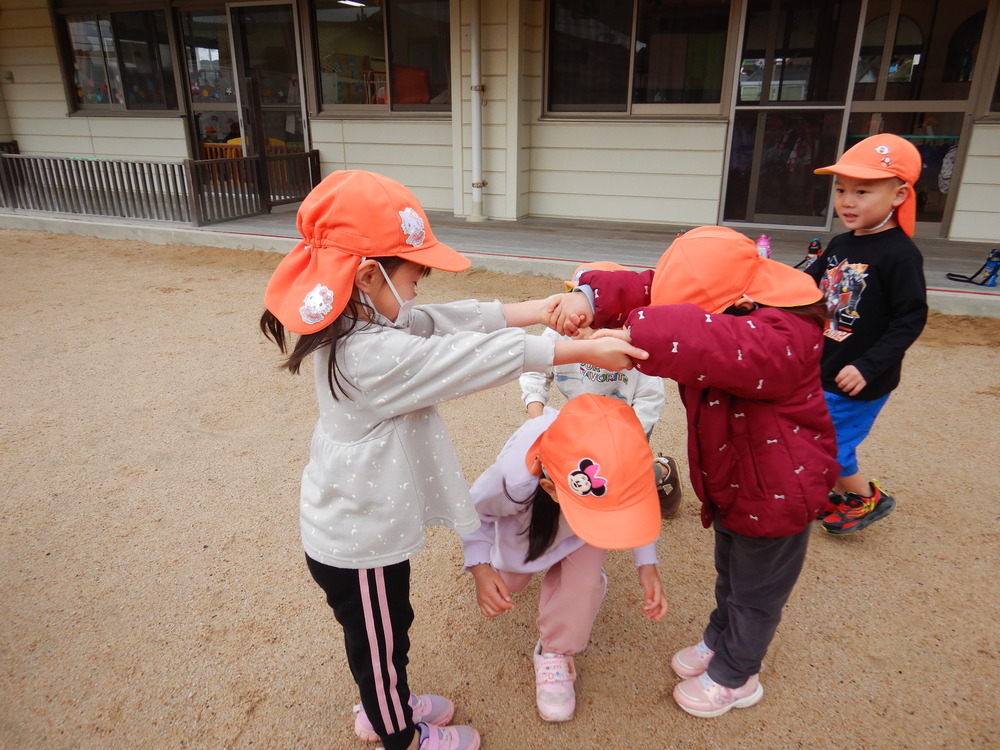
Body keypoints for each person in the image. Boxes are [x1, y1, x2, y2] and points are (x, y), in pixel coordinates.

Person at [259, 170, 647, 750]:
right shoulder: (371, 355)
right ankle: (398, 732)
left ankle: (387, 701)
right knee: (380, 643)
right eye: (417, 274)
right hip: (355, 543)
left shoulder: (365, 319)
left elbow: (453, 321)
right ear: (368, 275)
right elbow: (473, 360)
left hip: (368, 534)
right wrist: (582, 349)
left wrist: (538, 308)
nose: (420, 288)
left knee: (389, 635)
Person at [546, 226, 839, 718]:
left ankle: (737, 674)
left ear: (737, 301)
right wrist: (588, 298)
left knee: (755, 595)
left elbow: (711, 341)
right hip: (735, 484)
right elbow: (652, 289)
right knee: (730, 576)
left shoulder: (785, 336)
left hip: (779, 495)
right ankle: (719, 641)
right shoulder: (734, 302)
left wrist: (638, 331)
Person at [461, 393, 668, 723]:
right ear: (550, 487)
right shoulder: (513, 481)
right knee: (510, 581)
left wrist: (647, 564)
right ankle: (518, 566)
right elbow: (473, 513)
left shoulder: (625, 463)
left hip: (586, 529)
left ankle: (555, 652)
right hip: (531, 523)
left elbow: (638, 507)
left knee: (580, 586)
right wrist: (480, 568)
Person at [808, 133, 928, 535]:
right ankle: (831, 490)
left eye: (862, 191)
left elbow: (909, 319)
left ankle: (865, 499)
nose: (847, 200)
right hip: (825, 365)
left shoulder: (900, 254)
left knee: (833, 446)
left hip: (861, 378)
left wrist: (868, 365)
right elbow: (808, 285)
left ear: (899, 194)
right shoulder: (841, 242)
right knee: (816, 436)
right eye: (841, 189)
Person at [519, 261, 682, 518]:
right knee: (573, 473)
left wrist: (627, 444)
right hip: (581, 420)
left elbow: (650, 398)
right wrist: (537, 424)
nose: (579, 318)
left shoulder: (633, 342)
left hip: (626, 424)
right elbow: (535, 370)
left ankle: (662, 471)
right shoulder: (559, 334)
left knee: (622, 476)